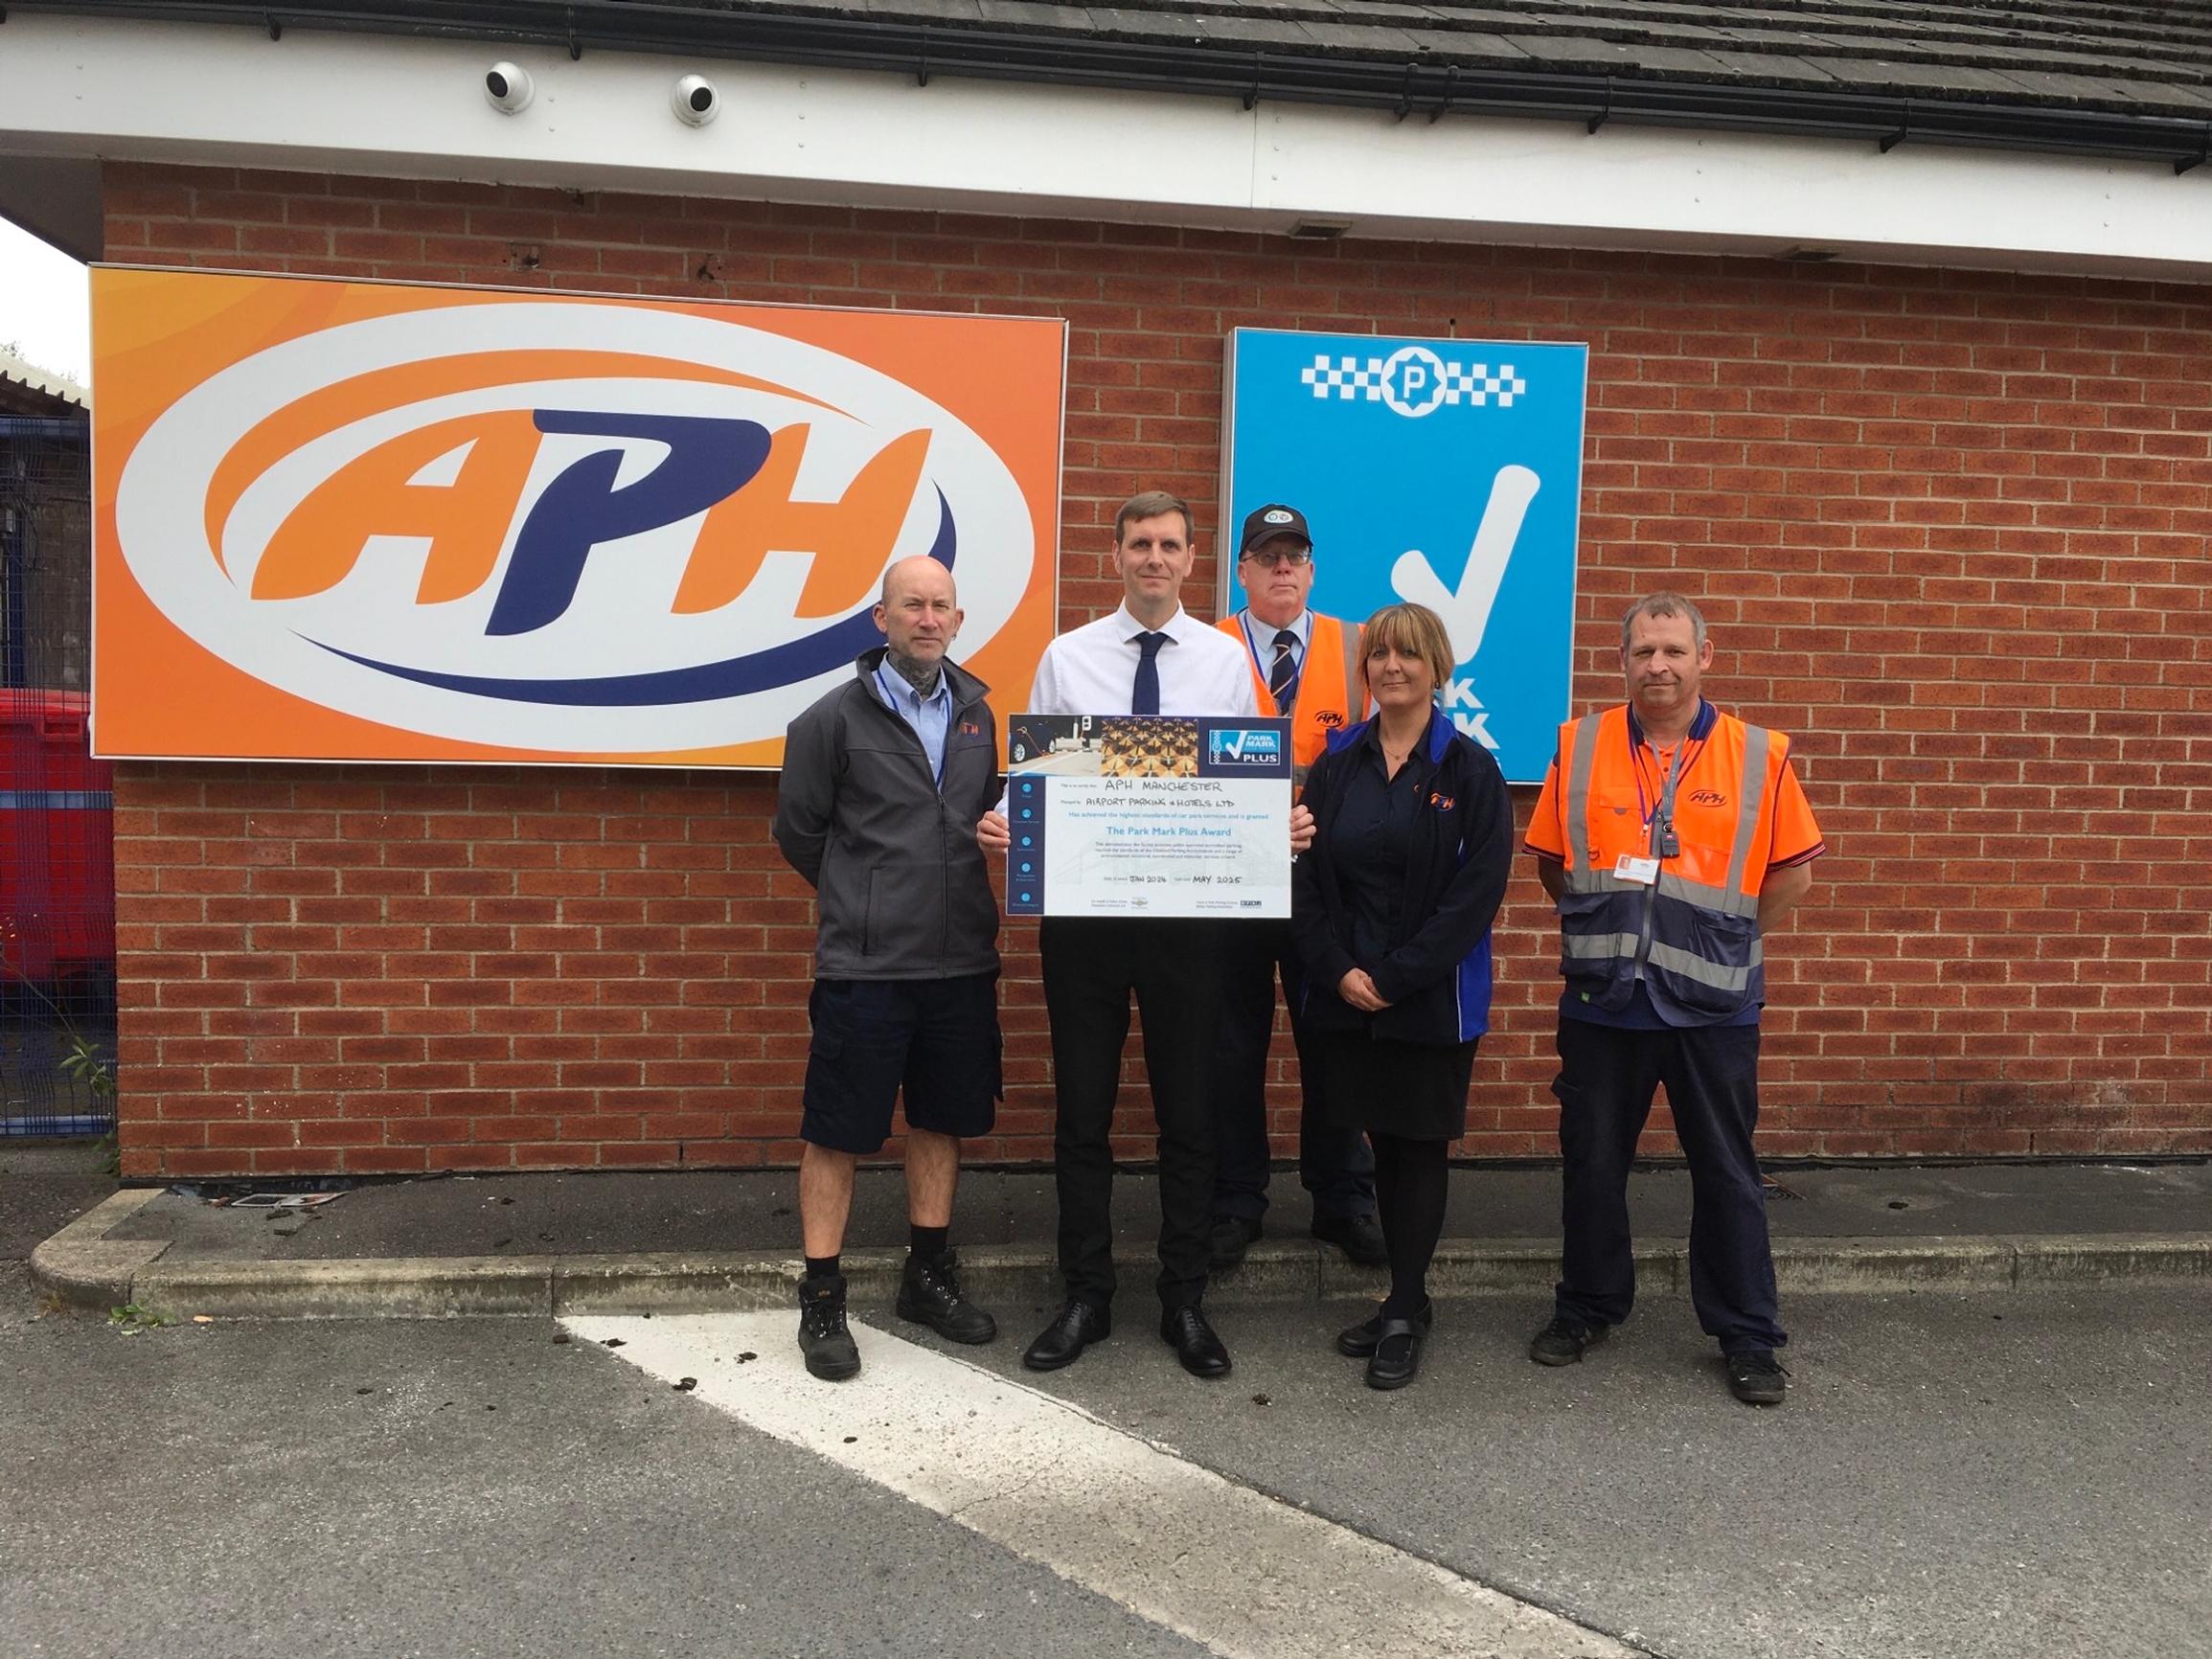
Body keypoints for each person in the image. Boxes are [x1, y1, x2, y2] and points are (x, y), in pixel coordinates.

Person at [981, 489, 1284, 1381]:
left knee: (1188, 1113)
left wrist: (1281, 826)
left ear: (1192, 560)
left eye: (1169, 546)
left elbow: (1245, 780)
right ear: (1115, 554)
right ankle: (1086, 1296)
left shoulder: (1225, 661)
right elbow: (1032, 777)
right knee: (1083, 1111)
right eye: (1139, 544)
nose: (1154, 559)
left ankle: (1183, 1299)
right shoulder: (1067, 657)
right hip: (1085, 916)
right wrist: (1003, 818)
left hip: (1189, 920)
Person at [1522, 591, 1824, 1406]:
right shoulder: (1578, 746)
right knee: (1590, 1167)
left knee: (1727, 1173)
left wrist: (1717, 940)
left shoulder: (1756, 754)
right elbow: (1553, 862)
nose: (1657, 665)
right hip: (1603, 999)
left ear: (1703, 656)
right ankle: (1585, 1307)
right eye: (1642, 652)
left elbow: (1791, 873)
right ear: (1621, 661)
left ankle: (1748, 1336)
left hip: (1714, 1007)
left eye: (1672, 651)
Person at [771, 555, 1005, 1381]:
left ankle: (926, 1277)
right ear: (882, 619)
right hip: (864, 970)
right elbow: (799, 834)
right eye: (912, 605)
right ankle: (823, 1295)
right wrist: (861, 897)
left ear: (957, 619)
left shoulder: (980, 717)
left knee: (940, 1122)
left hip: (960, 964)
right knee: (836, 1134)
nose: (927, 619)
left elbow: (988, 818)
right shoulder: (829, 721)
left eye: (941, 605)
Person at [1290, 602, 1513, 1390]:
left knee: (1416, 1149)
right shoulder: (1337, 760)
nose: (1392, 667)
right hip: (1346, 993)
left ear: (1436, 666)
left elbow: (1476, 892)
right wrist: (1340, 969)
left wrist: (1396, 975)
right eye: (1380, 654)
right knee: (1373, 1139)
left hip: (1430, 997)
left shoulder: (1470, 770)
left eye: (1409, 655)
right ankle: (1402, 1302)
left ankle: (1405, 1305)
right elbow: (1306, 881)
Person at [1208, 503, 1382, 1271]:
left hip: (1327, 884)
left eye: (1295, 556)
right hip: (1227, 876)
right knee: (1229, 1046)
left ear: (1311, 569)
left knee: (1335, 1041)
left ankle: (1343, 1199)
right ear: (1241, 570)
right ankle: (1234, 1197)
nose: (1282, 568)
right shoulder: (1203, 646)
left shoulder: (1359, 647)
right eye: (1266, 556)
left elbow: (1391, 754)